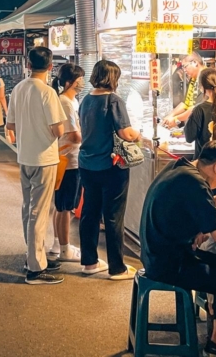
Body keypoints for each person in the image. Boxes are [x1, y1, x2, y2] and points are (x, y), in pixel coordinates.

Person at [140, 141, 216, 357]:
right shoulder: (195, 183)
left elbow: (187, 204)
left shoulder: (181, 169)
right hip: (169, 264)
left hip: (156, 254)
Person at [6, 45, 67, 285]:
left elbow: (10, 126)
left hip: (24, 157)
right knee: (38, 212)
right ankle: (35, 268)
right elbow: (58, 129)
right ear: (51, 67)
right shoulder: (48, 92)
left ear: (28, 65)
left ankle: (33, 255)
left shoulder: (19, 89)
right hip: (44, 158)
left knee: (28, 208)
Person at [78, 59, 140, 280]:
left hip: (87, 164)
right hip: (111, 165)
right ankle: (117, 268)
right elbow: (126, 134)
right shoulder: (113, 101)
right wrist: (138, 134)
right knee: (113, 216)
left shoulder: (85, 100)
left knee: (89, 213)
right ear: (113, 78)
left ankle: (89, 262)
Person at [49, 62, 83, 263]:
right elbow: (75, 136)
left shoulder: (70, 101)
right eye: (80, 80)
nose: (83, 83)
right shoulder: (65, 103)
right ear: (70, 82)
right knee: (65, 207)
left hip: (66, 159)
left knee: (61, 206)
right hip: (68, 160)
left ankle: (57, 244)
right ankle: (64, 249)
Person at [162, 52, 204, 127]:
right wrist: (170, 115)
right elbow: (185, 103)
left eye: (185, 66)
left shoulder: (206, 77)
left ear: (195, 63)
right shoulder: (194, 79)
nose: (184, 70)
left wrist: (176, 119)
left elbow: (195, 108)